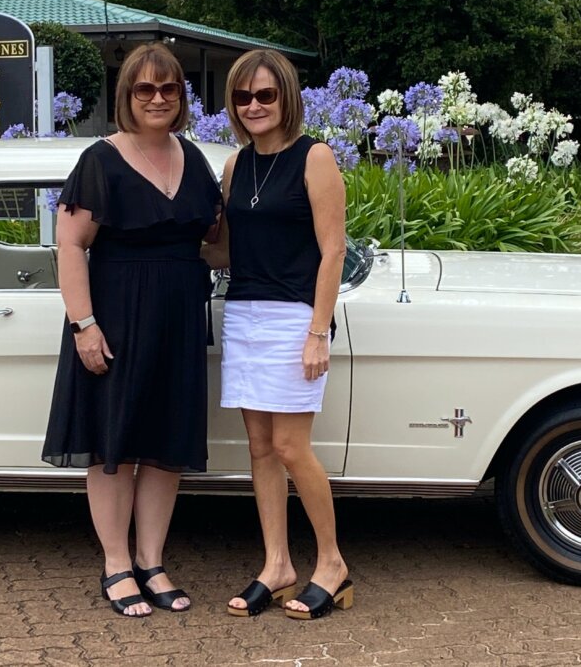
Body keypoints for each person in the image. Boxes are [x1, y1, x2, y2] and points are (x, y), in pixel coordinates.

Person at [42, 43, 221, 618]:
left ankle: (152, 561)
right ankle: (116, 564)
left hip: (178, 320)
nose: (158, 98)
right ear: (127, 97)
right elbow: (69, 245)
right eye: (145, 89)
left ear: (181, 97)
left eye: (169, 89)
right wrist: (84, 325)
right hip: (114, 319)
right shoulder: (100, 159)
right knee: (113, 447)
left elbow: (214, 243)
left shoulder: (193, 159)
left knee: (166, 446)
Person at [203, 49, 353, 620]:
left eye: (265, 95)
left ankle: (332, 564)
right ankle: (278, 565)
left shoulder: (315, 158)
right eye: (242, 97)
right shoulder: (237, 166)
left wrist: (318, 331)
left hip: (295, 318)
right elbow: (226, 249)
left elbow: (333, 249)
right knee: (261, 449)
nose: (253, 106)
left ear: (286, 97)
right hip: (243, 313)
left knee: (292, 447)